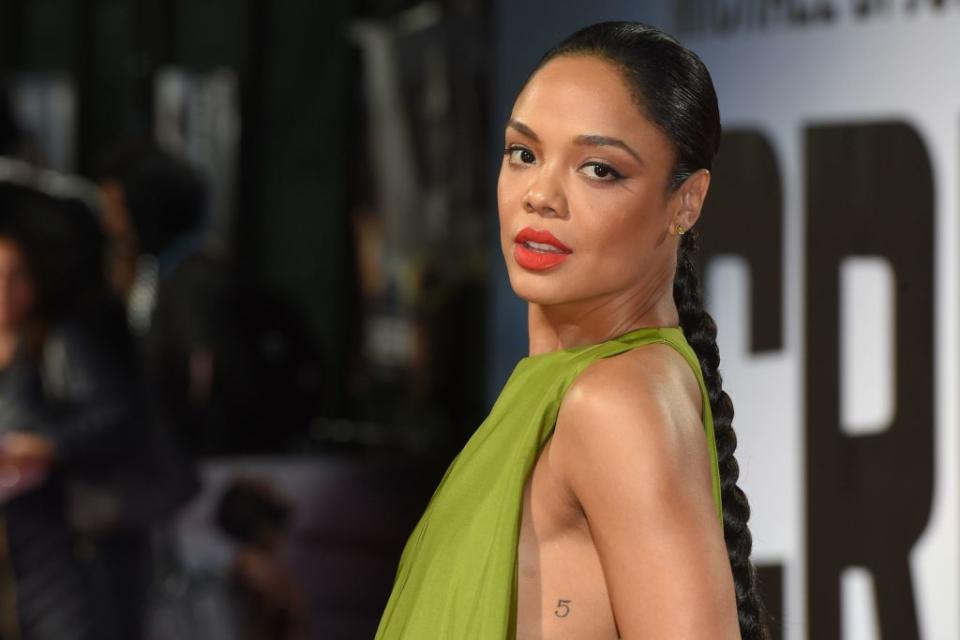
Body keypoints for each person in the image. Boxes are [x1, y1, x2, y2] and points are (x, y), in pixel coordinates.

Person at [375, 21, 768, 639]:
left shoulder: (615, 402)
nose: (541, 195)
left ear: (686, 203)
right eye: (523, 154)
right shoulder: (564, 390)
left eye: (599, 170)